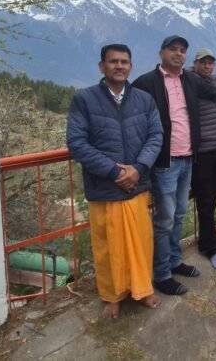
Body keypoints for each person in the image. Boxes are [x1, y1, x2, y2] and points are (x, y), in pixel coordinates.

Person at [66, 43, 164, 318]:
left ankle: (143, 289)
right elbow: (77, 143)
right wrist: (114, 172)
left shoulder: (144, 100)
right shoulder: (84, 100)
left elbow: (156, 136)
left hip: (137, 185)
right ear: (102, 66)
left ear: (130, 66)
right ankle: (112, 296)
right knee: (108, 247)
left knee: (141, 241)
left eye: (124, 61)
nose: (119, 66)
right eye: (113, 61)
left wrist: (138, 168)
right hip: (105, 187)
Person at [133, 35, 216, 295]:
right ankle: (162, 274)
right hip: (165, 161)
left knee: (178, 215)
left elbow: (214, 89)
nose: (178, 54)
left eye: (182, 50)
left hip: (189, 157)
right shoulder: (146, 82)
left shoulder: (190, 80)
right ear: (161, 53)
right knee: (165, 220)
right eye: (173, 49)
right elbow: (132, 117)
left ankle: (175, 261)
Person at [190, 42, 216, 271]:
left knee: (212, 198)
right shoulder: (191, 83)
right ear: (195, 64)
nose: (207, 66)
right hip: (203, 151)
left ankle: (207, 242)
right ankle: (212, 249)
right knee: (205, 200)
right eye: (203, 63)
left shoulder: (215, 81)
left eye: (210, 63)